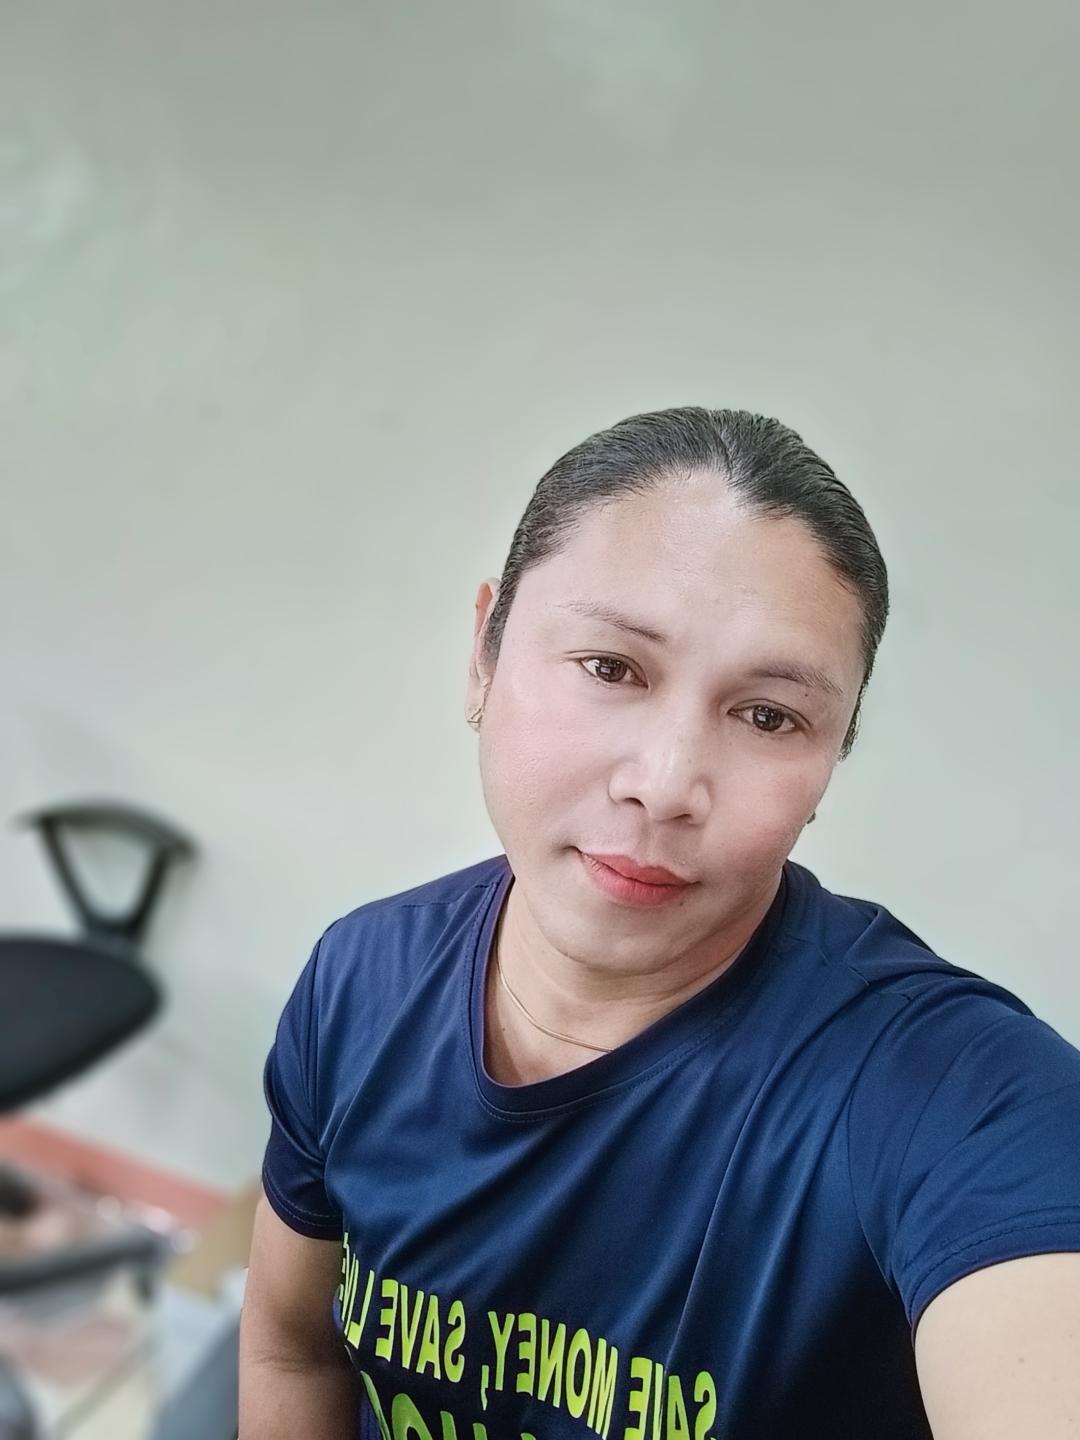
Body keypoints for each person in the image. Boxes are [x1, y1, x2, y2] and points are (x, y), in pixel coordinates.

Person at [238, 407, 1080, 1440]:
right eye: (611, 667)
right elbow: (293, 1347)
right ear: (484, 654)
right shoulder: (361, 980)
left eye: (769, 715)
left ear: (832, 757)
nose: (667, 783)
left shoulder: (955, 1095)